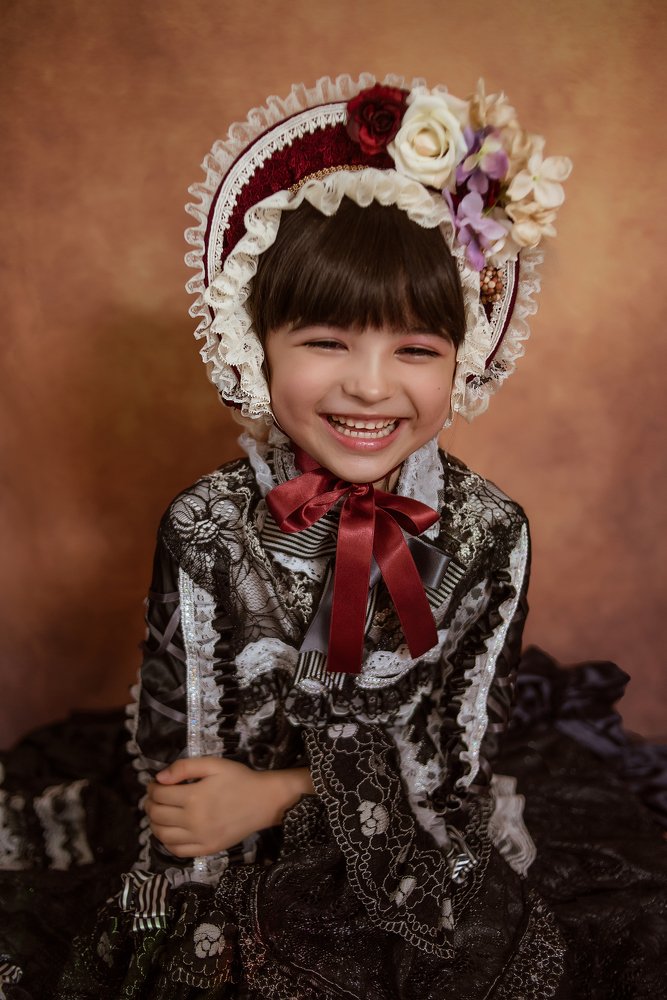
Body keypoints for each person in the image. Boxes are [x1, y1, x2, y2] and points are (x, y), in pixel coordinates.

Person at [1, 74, 667, 1000]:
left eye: (416, 349)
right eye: (325, 340)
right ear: (254, 341)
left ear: (464, 357)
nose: (368, 386)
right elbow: (187, 787)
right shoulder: (204, 527)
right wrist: (218, 832)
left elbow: (454, 772)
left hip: (412, 840)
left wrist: (278, 794)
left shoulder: (491, 534)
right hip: (230, 853)